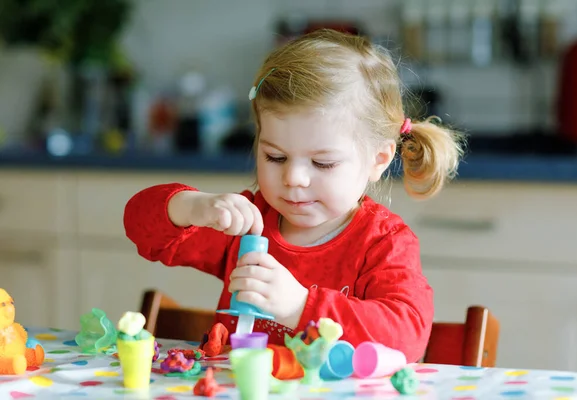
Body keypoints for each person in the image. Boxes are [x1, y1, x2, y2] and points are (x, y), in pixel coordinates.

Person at [124, 29, 463, 362]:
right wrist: (191, 207)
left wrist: (300, 307)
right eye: (275, 157)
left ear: (378, 160)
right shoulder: (248, 223)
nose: (294, 178)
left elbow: (407, 340)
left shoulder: (383, 244)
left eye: (322, 162)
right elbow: (140, 227)